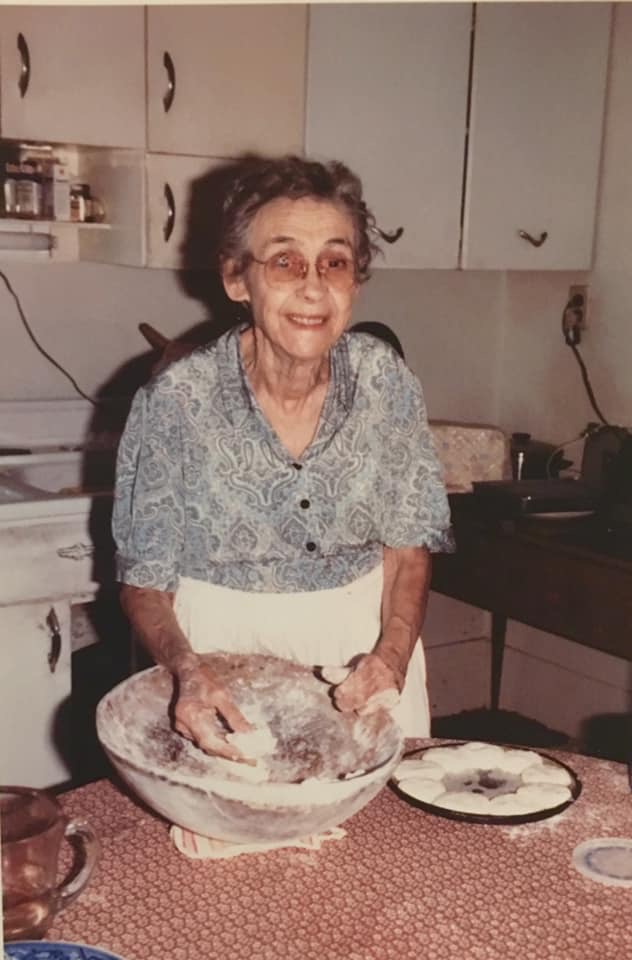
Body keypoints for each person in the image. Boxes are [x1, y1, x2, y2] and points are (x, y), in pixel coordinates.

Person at [112, 154, 453, 762]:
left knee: (383, 845)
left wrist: (391, 658)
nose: (313, 287)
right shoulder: (177, 402)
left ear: (356, 280)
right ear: (238, 280)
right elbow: (145, 583)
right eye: (285, 261)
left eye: (335, 262)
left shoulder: (386, 384)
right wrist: (187, 672)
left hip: (362, 652)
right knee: (235, 836)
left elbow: (406, 554)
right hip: (217, 660)